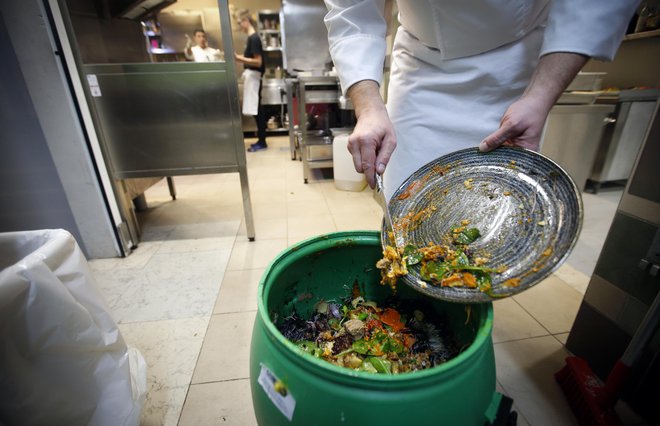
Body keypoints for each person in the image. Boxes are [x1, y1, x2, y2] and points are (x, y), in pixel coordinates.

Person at [324, 0, 640, 199]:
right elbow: (354, 13)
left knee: (491, 202)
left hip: (514, 62)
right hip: (422, 62)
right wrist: (369, 109)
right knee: (408, 193)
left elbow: (592, 7)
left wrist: (540, 98)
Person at [234, 9, 268, 152]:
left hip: (254, 76)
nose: (239, 25)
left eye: (240, 22)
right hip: (253, 77)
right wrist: (240, 57)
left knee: (257, 110)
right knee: (256, 109)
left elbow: (258, 62)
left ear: (246, 21)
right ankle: (261, 140)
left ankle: (262, 141)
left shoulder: (253, 38)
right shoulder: (252, 38)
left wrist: (238, 58)